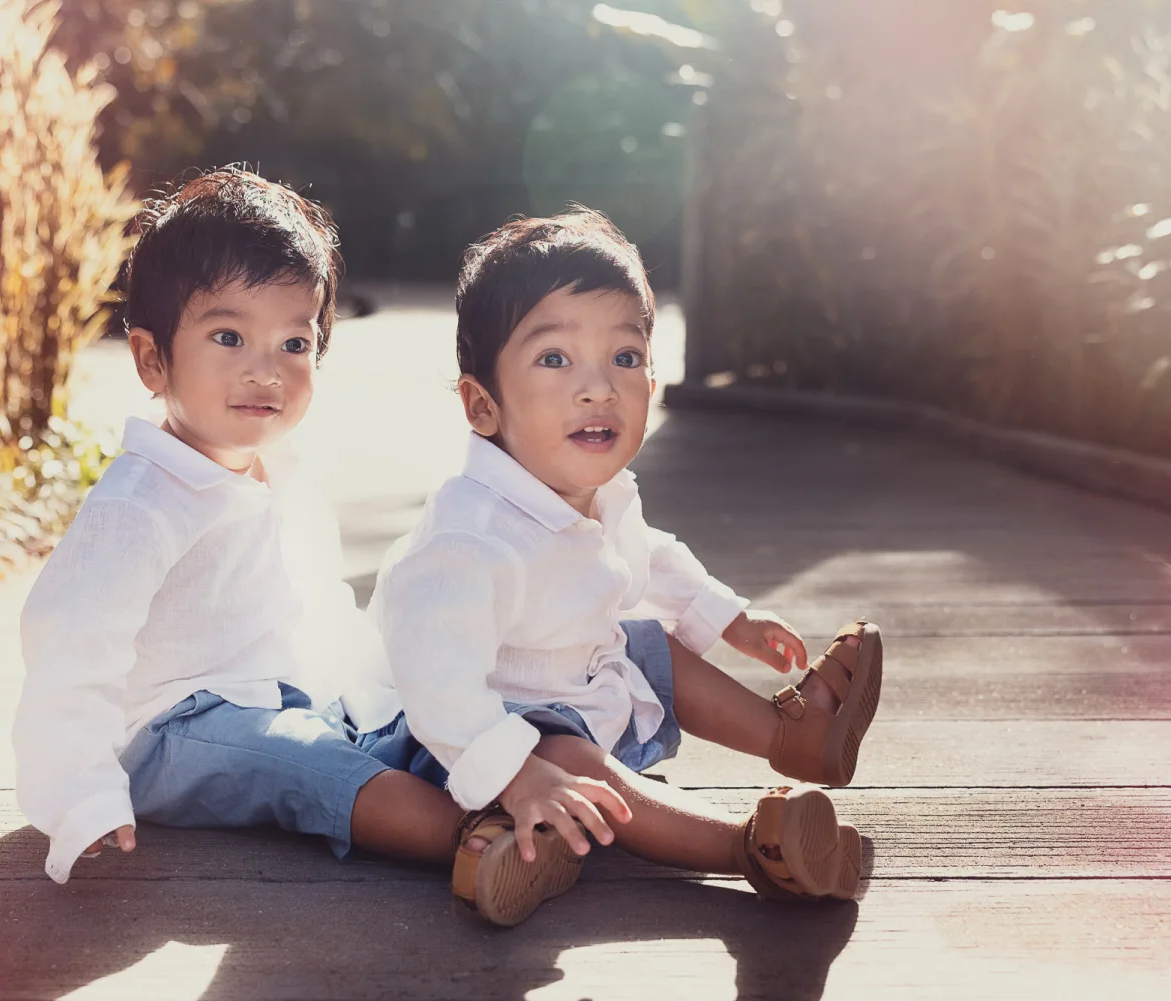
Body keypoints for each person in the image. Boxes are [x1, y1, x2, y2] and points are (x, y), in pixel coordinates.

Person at [366, 208, 885, 925]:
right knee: (571, 757)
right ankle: (748, 848)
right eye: (555, 359)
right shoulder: (468, 537)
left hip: (580, 686)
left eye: (626, 357)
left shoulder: (599, 490)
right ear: (482, 405)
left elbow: (651, 555)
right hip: (473, 736)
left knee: (649, 640)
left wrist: (730, 617)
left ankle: (793, 737)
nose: (599, 387)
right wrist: (514, 772)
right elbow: (433, 675)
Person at [13, 167, 519, 886]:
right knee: (311, 766)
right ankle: (485, 845)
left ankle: (514, 796)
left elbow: (315, 609)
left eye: (294, 343)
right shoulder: (141, 500)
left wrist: (375, 694)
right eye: (229, 336)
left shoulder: (278, 471)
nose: (266, 371)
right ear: (152, 360)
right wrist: (82, 791)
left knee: (401, 725)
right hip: (168, 732)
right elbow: (70, 645)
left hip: (277, 701)